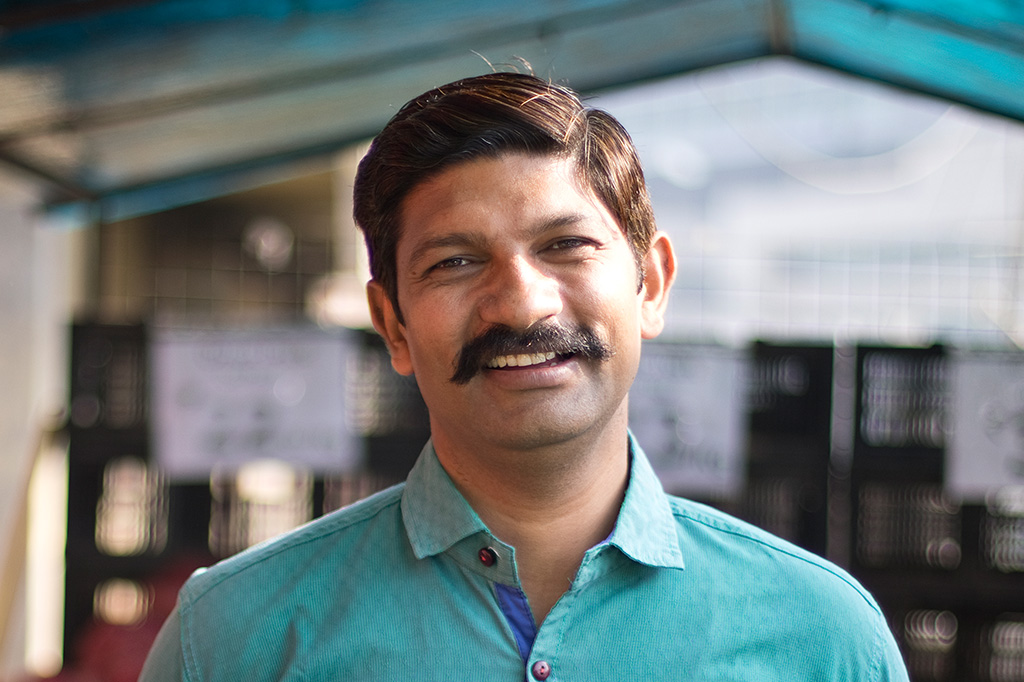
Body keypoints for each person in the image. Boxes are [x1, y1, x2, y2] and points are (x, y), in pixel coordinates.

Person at [140, 72, 909, 681]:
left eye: (566, 245)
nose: (520, 301)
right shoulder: (238, 635)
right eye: (455, 262)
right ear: (393, 325)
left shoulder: (822, 638)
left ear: (652, 285)